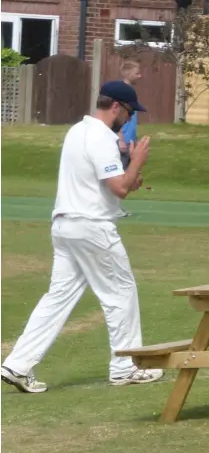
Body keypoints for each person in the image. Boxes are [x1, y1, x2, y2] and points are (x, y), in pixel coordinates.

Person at [1, 81, 164, 393]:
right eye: (129, 112)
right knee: (121, 292)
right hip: (91, 226)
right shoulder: (102, 137)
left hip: (65, 225)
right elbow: (118, 188)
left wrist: (130, 178)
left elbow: (116, 186)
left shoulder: (77, 130)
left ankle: (18, 365)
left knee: (57, 298)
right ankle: (125, 367)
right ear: (116, 106)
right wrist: (137, 161)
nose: (129, 120)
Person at [117, 60, 146, 218]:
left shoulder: (130, 91)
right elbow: (118, 116)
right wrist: (121, 138)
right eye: (137, 73)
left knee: (129, 176)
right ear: (129, 74)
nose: (140, 75)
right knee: (120, 176)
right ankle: (113, 208)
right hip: (123, 141)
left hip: (130, 140)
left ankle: (115, 207)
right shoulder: (122, 92)